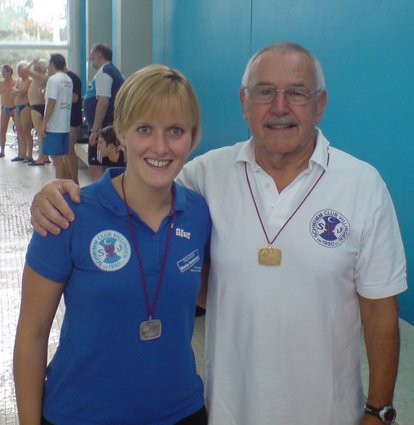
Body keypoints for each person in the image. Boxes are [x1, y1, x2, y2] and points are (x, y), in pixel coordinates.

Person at [29, 42, 407, 425]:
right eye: (264, 92)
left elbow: (379, 311)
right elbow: (145, 185)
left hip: (329, 412)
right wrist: (49, 195)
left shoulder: (363, 186)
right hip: (226, 410)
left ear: (320, 103)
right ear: (244, 102)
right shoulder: (204, 177)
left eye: (296, 92)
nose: (279, 106)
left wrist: (379, 410)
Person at [14, 64, 211, 425]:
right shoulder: (67, 215)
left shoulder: (199, 214)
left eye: (176, 131)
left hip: (180, 412)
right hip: (80, 414)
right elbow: (31, 334)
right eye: (144, 129)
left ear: (193, 137)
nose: (161, 146)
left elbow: (214, 293)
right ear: (120, 131)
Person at [83, 43, 124, 181]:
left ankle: (102, 200)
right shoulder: (109, 71)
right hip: (106, 127)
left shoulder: (105, 72)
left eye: (91, 54)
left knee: (97, 168)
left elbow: (103, 102)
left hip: (103, 129)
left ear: (99, 54)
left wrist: (95, 131)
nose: (90, 57)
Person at [38, 54, 73, 179]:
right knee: (62, 159)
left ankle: (60, 188)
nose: (47, 67)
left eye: (48, 64)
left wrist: (43, 124)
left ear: (52, 64)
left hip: (54, 126)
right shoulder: (68, 80)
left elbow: (51, 103)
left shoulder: (53, 80)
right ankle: (68, 184)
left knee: (57, 160)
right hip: (65, 125)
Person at [24, 59, 50, 166]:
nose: (34, 67)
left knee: (40, 133)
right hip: (40, 106)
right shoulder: (44, 77)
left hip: (37, 107)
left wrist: (31, 61)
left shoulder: (39, 76)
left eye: (36, 66)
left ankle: (40, 158)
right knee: (42, 133)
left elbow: (25, 69)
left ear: (39, 67)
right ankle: (45, 156)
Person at [11, 61, 33, 162]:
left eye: (20, 70)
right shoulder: (19, 81)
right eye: (18, 70)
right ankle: (22, 154)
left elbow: (22, 92)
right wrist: (16, 91)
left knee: (26, 131)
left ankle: (29, 154)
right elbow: (13, 91)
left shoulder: (29, 81)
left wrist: (16, 91)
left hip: (25, 107)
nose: (19, 72)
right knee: (19, 131)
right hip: (17, 107)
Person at [65, 67, 82, 183]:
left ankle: (75, 181)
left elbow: (75, 98)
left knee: (69, 150)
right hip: (64, 119)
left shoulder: (73, 78)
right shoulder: (61, 78)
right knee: (65, 152)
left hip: (72, 118)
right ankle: (68, 179)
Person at [0, 64, 17, 158]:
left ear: (9, 72)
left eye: (4, 71)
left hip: (14, 108)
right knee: (2, 129)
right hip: (5, 108)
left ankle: (21, 152)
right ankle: (2, 151)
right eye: (2, 71)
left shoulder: (16, 82)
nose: (2, 73)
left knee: (20, 130)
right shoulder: (0, 83)